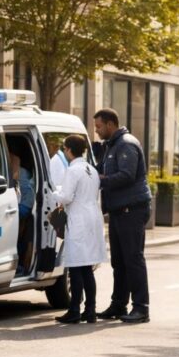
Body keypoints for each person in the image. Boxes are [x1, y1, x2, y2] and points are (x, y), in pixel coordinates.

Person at [93, 108, 152, 323]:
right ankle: (119, 305)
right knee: (119, 261)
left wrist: (100, 179)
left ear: (110, 124)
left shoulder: (126, 143)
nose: (97, 131)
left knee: (133, 259)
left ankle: (141, 308)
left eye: (99, 126)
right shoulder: (111, 146)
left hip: (132, 209)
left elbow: (126, 176)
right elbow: (101, 169)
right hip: (120, 210)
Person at [53, 134, 107, 324]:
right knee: (87, 268)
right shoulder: (90, 168)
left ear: (68, 150)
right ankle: (90, 310)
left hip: (78, 219)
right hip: (92, 217)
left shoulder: (73, 170)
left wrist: (53, 193)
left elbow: (66, 197)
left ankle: (75, 309)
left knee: (76, 266)